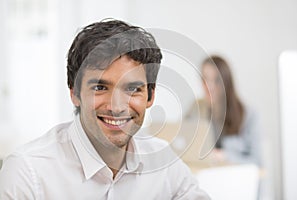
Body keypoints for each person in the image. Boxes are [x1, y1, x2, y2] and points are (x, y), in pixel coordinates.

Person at [0, 19, 210, 199]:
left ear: (150, 96)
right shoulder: (27, 172)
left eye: (132, 89)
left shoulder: (163, 161)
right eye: (100, 87)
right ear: (74, 93)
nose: (116, 107)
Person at [186, 55, 261, 166]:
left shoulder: (249, 115)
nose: (209, 86)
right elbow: (182, 142)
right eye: (205, 79)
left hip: (234, 178)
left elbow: (257, 162)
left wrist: (225, 156)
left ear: (226, 82)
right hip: (206, 176)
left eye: (216, 80)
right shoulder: (196, 108)